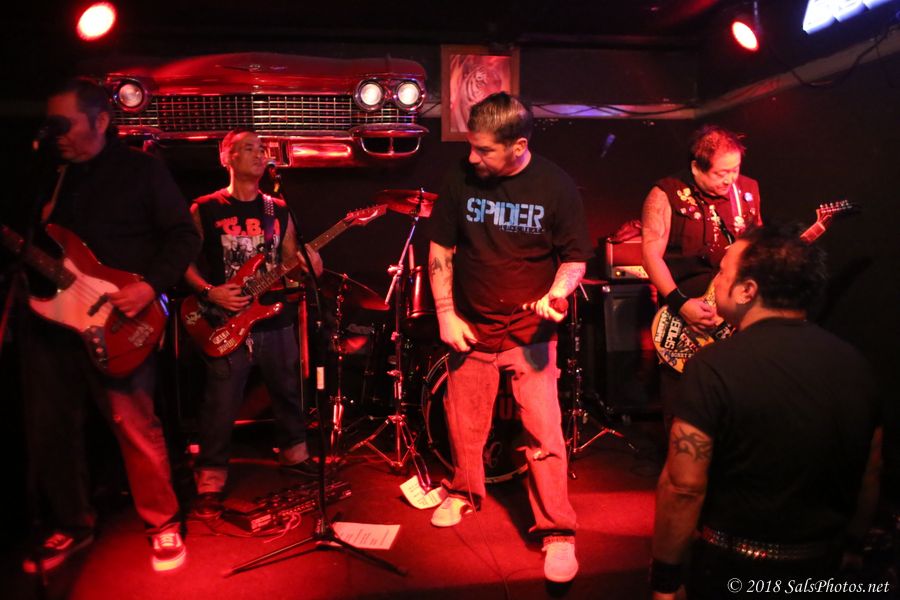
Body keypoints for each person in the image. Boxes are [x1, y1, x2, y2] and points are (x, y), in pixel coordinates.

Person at [20, 78, 200, 573]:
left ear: (100, 121)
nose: (57, 134)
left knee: (135, 426)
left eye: (66, 123)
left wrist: (149, 286)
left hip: (122, 321)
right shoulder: (49, 176)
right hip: (53, 322)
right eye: (51, 124)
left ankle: (162, 524)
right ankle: (73, 524)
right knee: (51, 427)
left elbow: (184, 236)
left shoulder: (141, 170)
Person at [650, 226, 882, 599]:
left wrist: (665, 577)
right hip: (823, 565)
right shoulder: (856, 364)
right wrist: (854, 545)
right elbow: (870, 469)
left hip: (733, 570)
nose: (715, 281)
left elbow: (683, 486)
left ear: (747, 290)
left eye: (722, 272)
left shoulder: (711, 367)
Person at [427, 92, 592, 584]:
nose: (473, 157)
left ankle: (557, 531)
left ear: (518, 146)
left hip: (529, 333)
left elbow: (574, 259)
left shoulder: (556, 186)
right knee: (464, 422)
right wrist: (445, 313)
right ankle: (464, 491)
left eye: (484, 150)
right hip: (471, 325)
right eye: (471, 146)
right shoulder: (460, 177)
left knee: (544, 431)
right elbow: (440, 249)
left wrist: (558, 293)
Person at [184, 128, 323, 520]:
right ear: (226, 157)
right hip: (223, 319)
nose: (260, 154)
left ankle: (295, 453)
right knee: (220, 402)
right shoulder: (205, 208)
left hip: (273, 317)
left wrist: (310, 265)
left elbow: (292, 262)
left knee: (287, 389)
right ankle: (210, 477)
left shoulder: (277, 209)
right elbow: (181, 262)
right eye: (249, 148)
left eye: (262, 149)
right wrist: (211, 291)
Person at [641, 125, 763, 420]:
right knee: (685, 403)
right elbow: (650, 255)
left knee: (737, 400)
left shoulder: (747, 191)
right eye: (721, 173)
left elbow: (759, 248)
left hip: (735, 316)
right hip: (685, 314)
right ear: (696, 167)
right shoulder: (665, 193)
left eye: (735, 170)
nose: (730, 179)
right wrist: (680, 303)